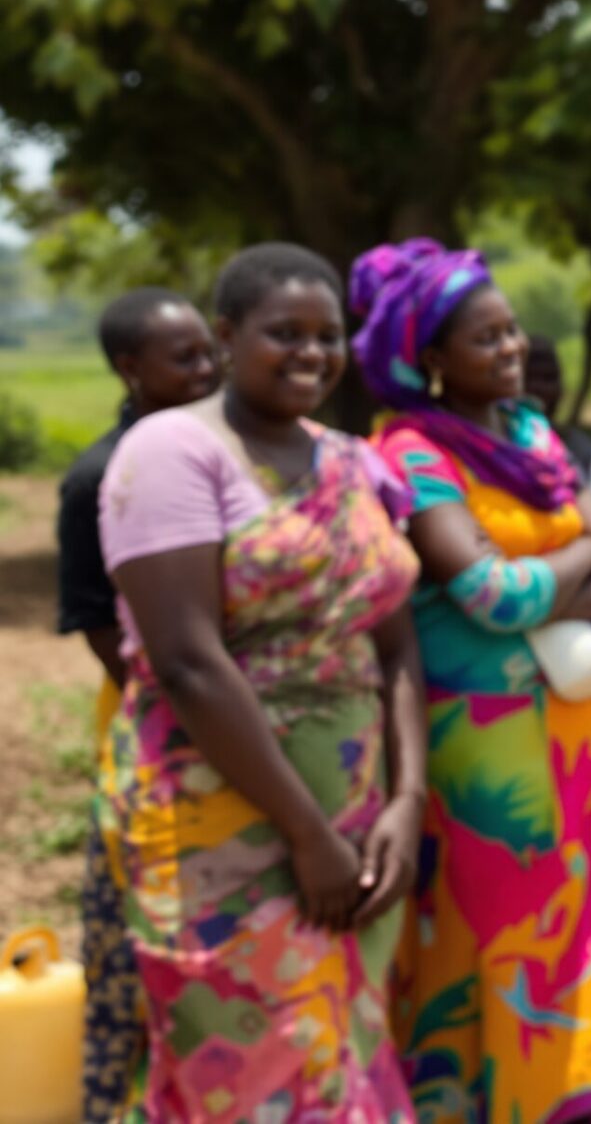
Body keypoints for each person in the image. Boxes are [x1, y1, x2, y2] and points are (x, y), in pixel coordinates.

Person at [95, 244, 426, 1121]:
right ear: (229, 334)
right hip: (223, 820)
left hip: (357, 818)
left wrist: (407, 798)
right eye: (285, 333)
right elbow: (187, 660)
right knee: (243, 1070)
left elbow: (392, 644)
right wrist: (306, 832)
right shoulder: (173, 450)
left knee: (344, 1046)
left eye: (329, 336)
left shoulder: (358, 463)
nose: (311, 354)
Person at [353, 238, 591, 1123]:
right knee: (513, 937)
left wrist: (550, 589)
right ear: (430, 360)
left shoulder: (530, 434)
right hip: (491, 746)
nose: (511, 348)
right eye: (485, 338)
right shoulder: (412, 454)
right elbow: (493, 593)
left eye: (512, 331)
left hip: (588, 728)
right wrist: (575, 561)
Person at [55, 287, 221, 1122]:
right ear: (131, 368)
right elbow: (92, 621)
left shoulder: (221, 451)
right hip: (152, 722)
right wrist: (180, 711)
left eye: (208, 351)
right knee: (134, 928)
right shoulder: (99, 473)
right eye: (184, 357)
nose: (206, 369)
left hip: (229, 717)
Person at [523, 335, 591, 476]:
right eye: (529, 377)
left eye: (548, 378)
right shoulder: (494, 445)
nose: (539, 388)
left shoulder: (579, 447)